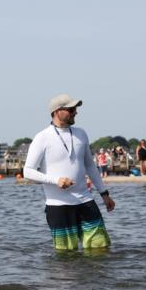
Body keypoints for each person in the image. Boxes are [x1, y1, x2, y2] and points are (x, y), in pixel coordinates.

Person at [23, 94, 116, 251]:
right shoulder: (42, 137)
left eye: (76, 109)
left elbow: (90, 166)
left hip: (85, 201)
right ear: (57, 111)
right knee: (67, 258)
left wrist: (104, 194)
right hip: (58, 206)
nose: (76, 112)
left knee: (101, 249)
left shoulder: (81, 133)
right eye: (71, 109)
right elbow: (27, 171)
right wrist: (56, 180)